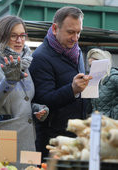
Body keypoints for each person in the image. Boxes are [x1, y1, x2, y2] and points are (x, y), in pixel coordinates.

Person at [0, 15, 49, 168]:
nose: (19, 40)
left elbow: (24, 100)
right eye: (13, 36)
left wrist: (38, 109)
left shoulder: (27, 62)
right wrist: (8, 81)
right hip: (4, 139)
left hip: (29, 139)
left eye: (22, 35)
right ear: (2, 37)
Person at [29, 6, 92, 159]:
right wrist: (72, 90)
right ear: (55, 28)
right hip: (53, 140)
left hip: (75, 135)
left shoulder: (76, 51)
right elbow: (43, 100)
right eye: (70, 32)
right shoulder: (40, 57)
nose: (75, 38)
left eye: (78, 32)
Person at [87, 48, 118, 119]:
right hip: (97, 122)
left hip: (111, 124)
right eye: (90, 66)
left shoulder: (114, 78)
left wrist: (113, 114)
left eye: (94, 65)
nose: (92, 68)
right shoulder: (93, 80)